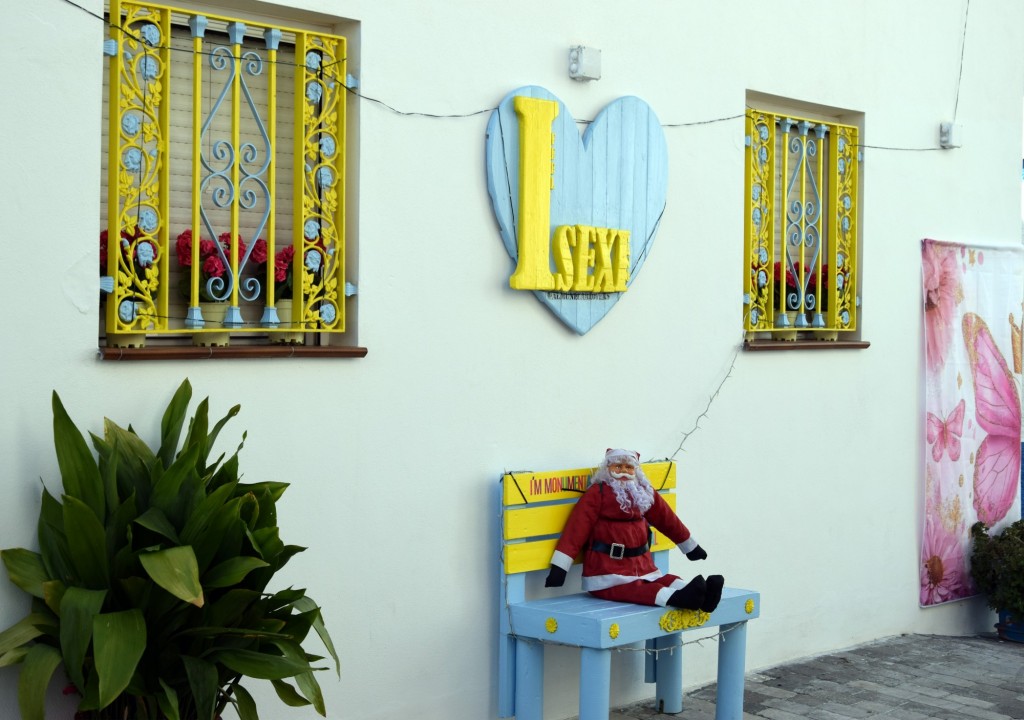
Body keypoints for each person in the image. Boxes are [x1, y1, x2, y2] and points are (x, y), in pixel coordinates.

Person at [544, 448, 724, 611]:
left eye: (629, 467)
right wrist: (560, 568)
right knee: (637, 590)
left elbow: (666, 518)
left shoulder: (643, 492)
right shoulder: (597, 493)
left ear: (635, 471)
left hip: (643, 566)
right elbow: (576, 529)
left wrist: (689, 546)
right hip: (607, 572)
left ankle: (705, 595)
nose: (624, 471)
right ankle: (678, 597)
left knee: (662, 580)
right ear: (608, 468)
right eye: (618, 466)